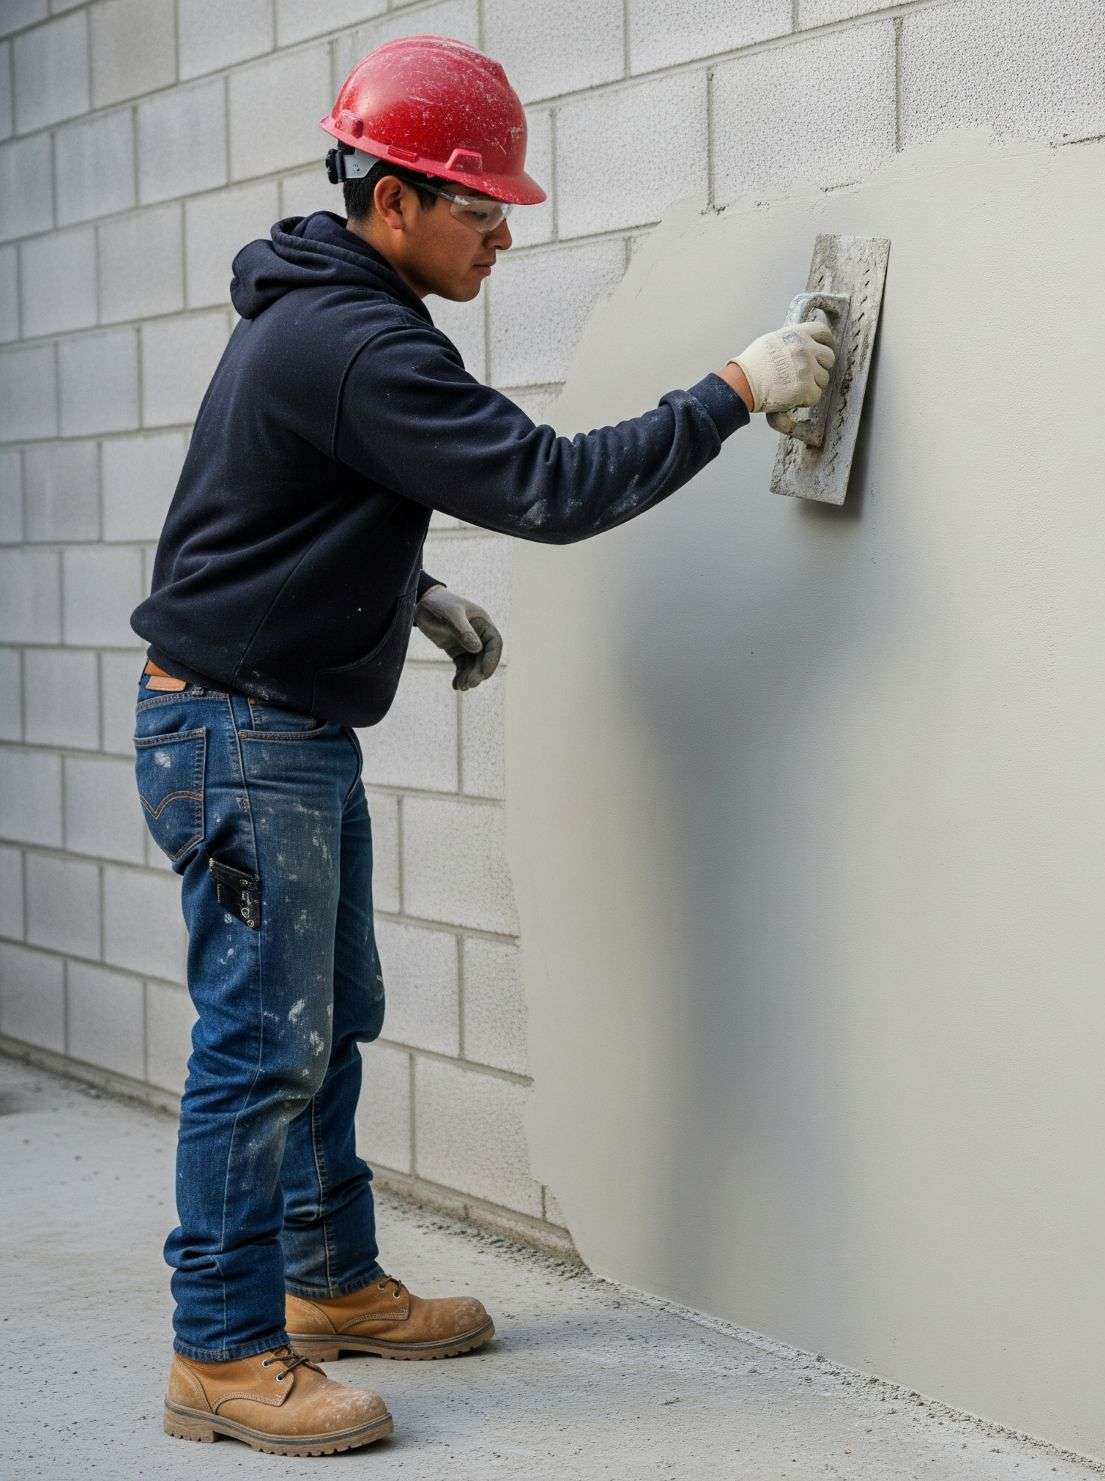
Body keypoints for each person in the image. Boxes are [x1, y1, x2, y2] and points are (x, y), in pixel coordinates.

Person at [130, 34, 834, 1457]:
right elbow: (551, 488)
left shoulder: (324, 310)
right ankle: (218, 1348)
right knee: (264, 1044)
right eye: (477, 202)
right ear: (390, 200)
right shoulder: (354, 337)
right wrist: (739, 386)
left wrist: (407, 595)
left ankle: (328, 1282)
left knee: (333, 1024)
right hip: (240, 734)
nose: (504, 228)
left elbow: (273, 504)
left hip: (275, 718)